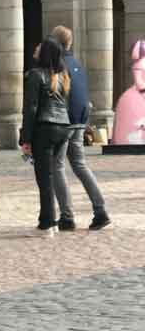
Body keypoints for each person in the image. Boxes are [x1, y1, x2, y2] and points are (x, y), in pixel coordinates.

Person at [48, 26, 110, 230]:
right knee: (80, 165)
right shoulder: (77, 64)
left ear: (56, 43)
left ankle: (67, 216)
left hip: (64, 122)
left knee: (56, 166)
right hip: (80, 121)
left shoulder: (57, 64)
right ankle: (100, 210)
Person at [21, 36, 72, 238]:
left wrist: (26, 138)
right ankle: (49, 220)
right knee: (51, 175)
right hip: (63, 128)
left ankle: (47, 224)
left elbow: (31, 108)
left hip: (45, 128)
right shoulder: (63, 76)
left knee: (44, 177)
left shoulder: (35, 75)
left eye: (39, 47)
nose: (36, 48)